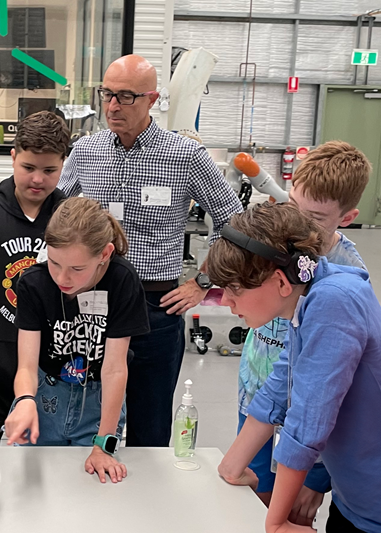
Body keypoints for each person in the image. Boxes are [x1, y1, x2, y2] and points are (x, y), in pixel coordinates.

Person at [58, 54, 242, 447]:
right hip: (91, 306)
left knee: (151, 425)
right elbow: (57, 220)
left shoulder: (185, 156)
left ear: (152, 99)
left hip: (154, 309)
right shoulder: (85, 153)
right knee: (79, 416)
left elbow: (233, 221)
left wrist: (203, 283)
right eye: (107, 94)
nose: (112, 106)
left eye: (125, 96)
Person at [210, 202, 381, 533]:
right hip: (354, 498)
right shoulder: (311, 295)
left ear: (280, 282)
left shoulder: (335, 303)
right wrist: (233, 465)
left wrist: (275, 522)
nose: (226, 301)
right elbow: (279, 388)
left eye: (234, 289)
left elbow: (308, 421)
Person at [236, 141, 371, 524]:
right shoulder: (279, 239)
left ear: (347, 217)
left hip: (307, 420)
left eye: (314, 218)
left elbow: (332, 391)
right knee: (251, 498)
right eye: (293, 207)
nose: (297, 225)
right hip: (257, 388)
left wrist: (316, 477)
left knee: (289, 511)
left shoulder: (346, 278)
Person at [4, 197, 150, 483]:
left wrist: (103, 443)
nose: (62, 277)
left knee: (90, 488)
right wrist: (24, 400)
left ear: (105, 254)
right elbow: (27, 366)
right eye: (54, 263)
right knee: (26, 482)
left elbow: (115, 369)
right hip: (45, 393)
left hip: (99, 399)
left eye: (77, 269)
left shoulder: (122, 281)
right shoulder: (33, 283)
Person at [0, 111, 70, 446]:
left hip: (54, 374)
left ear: (64, 164)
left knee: (48, 470)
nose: (38, 179)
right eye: (28, 167)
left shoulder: (73, 224)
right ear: (12, 157)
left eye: (49, 170)